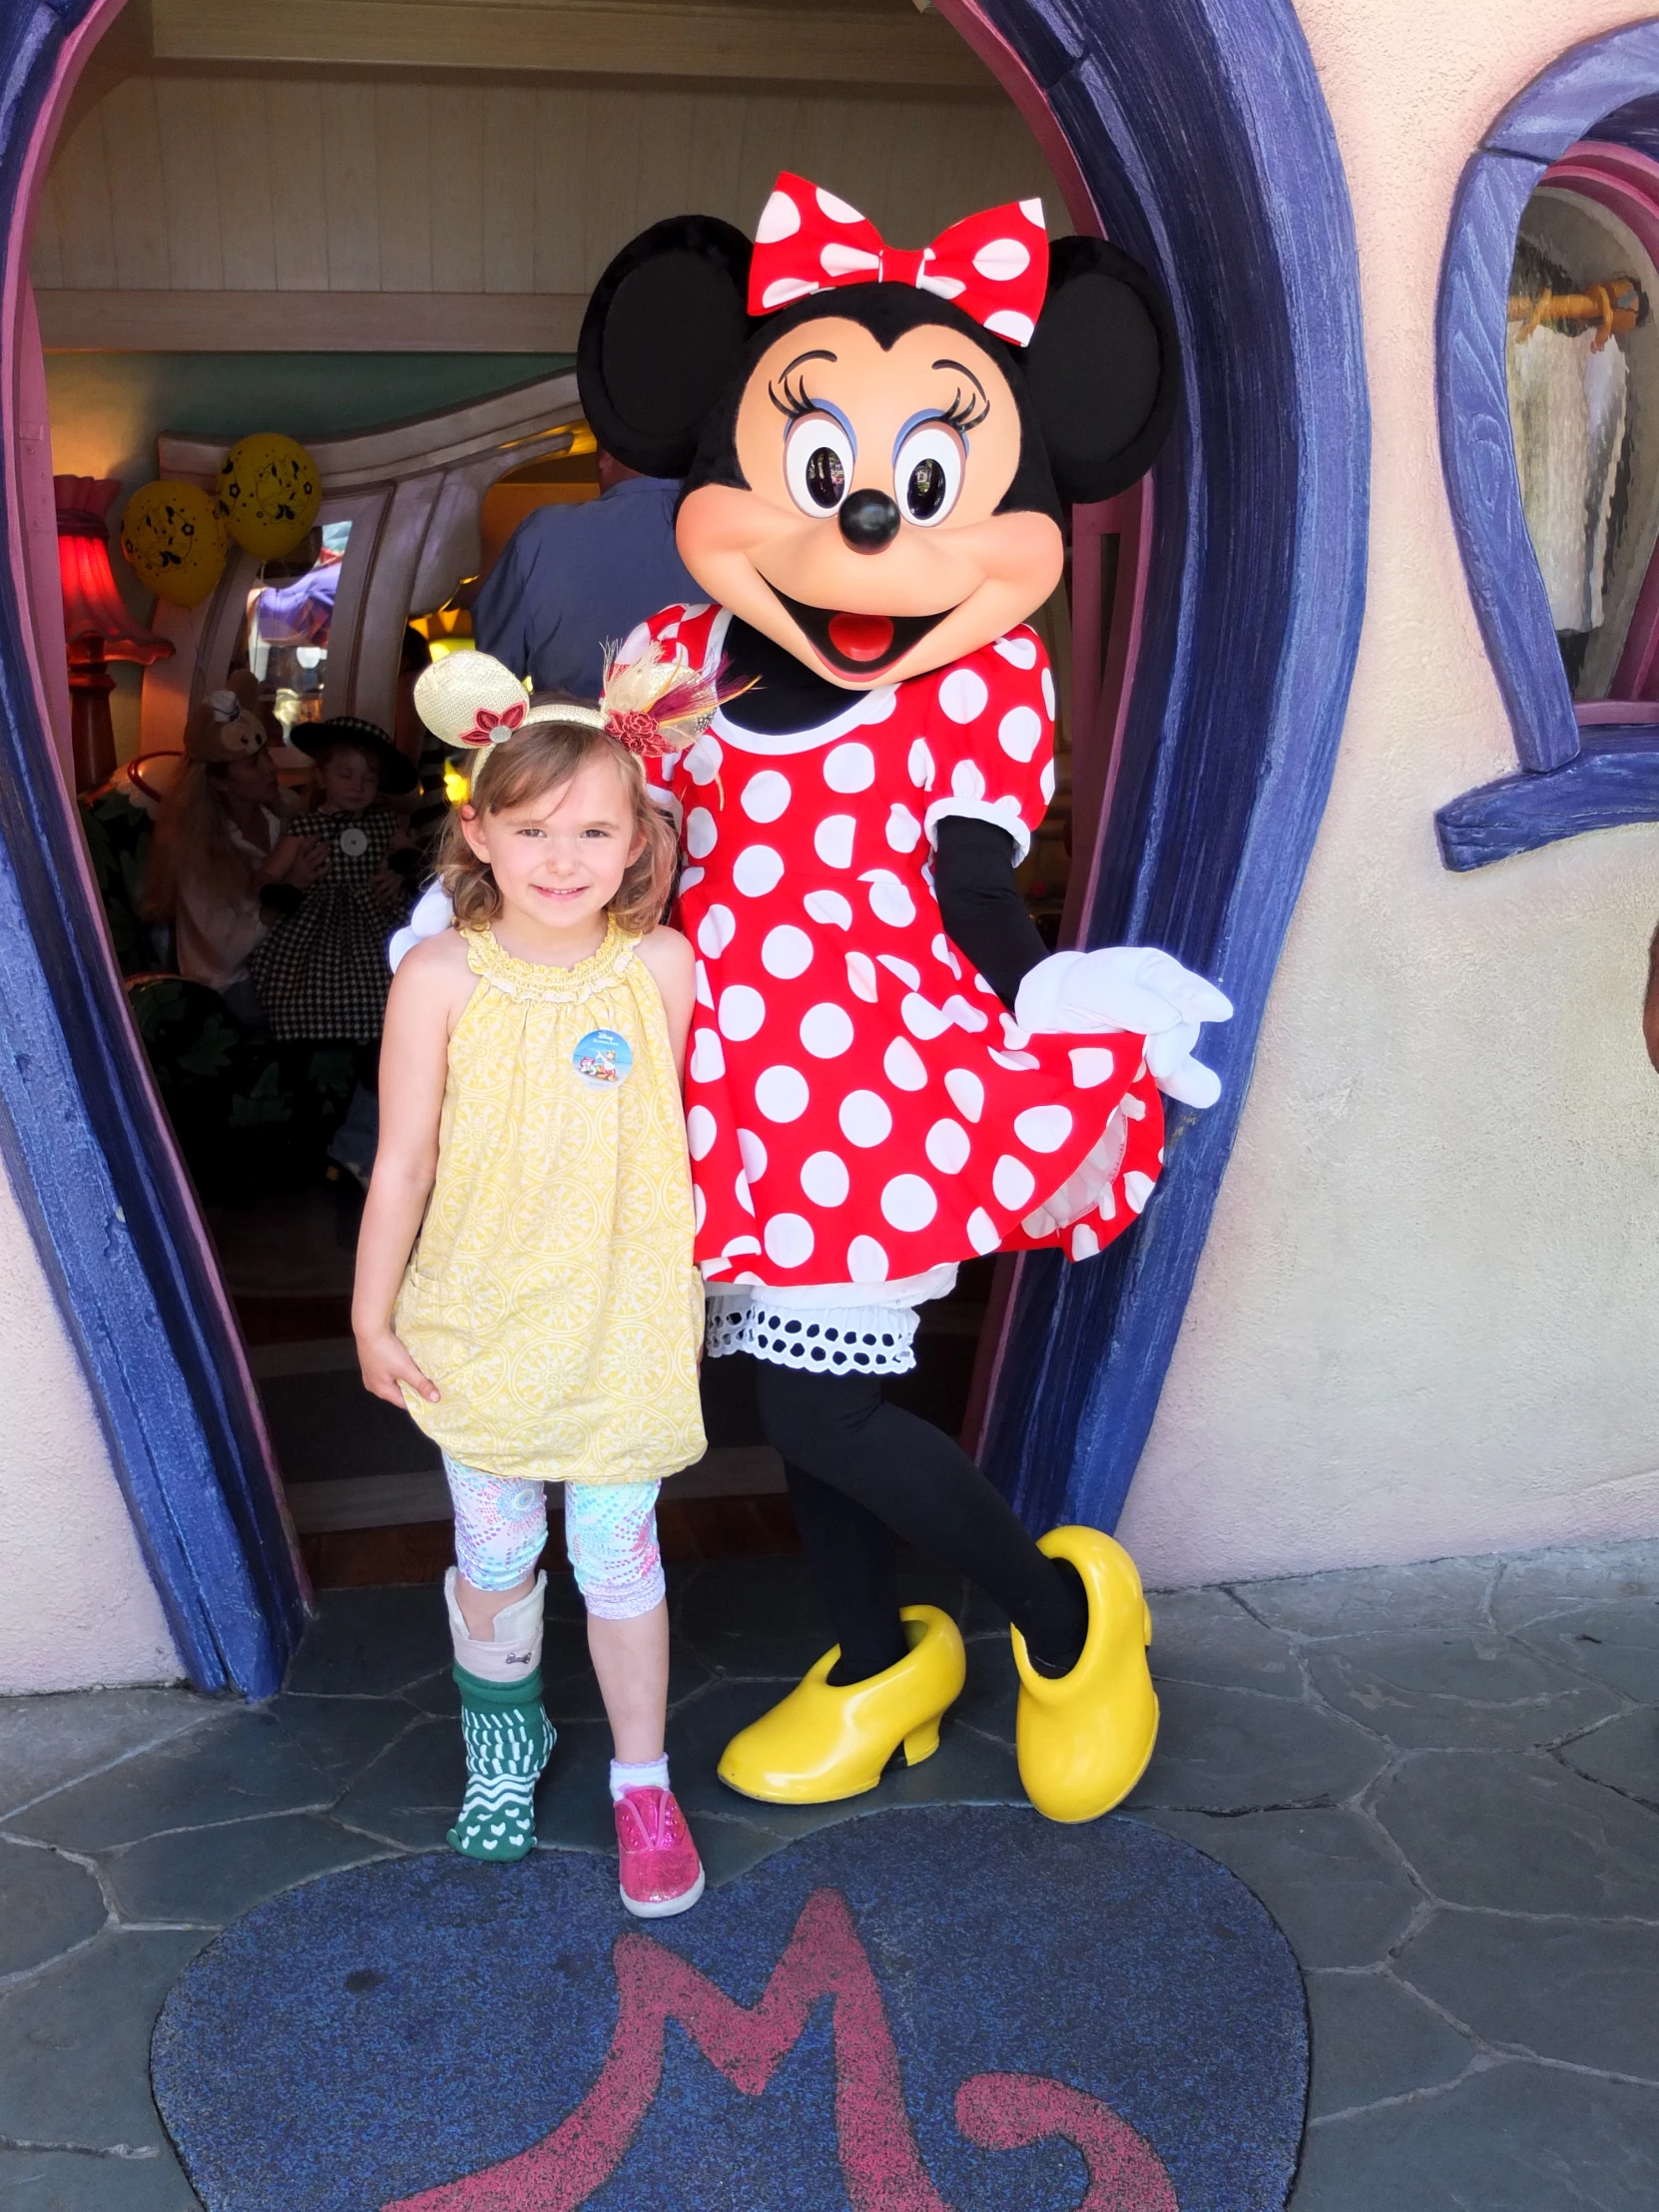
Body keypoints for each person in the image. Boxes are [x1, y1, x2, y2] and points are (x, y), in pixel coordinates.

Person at [351, 656, 707, 1916]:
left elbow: (691, 1142)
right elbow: (402, 1159)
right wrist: (369, 1312)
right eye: (535, 827)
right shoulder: (438, 976)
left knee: (619, 1554)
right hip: (480, 1323)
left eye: (596, 829)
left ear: (639, 838)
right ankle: (504, 1752)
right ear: (480, 830)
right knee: (495, 1554)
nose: (564, 856)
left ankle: (644, 1781)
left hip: (621, 1326)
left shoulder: (658, 967)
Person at [142, 675, 326, 1026]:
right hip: (230, 985)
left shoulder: (282, 811)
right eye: (252, 764)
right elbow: (226, 953)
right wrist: (290, 889)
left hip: (288, 962)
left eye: (265, 756)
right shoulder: (195, 851)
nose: (270, 769)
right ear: (219, 781)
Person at [472, 446, 700, 699]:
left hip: (572, 735)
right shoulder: (737, 536)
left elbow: (492, 677)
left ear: (606, 457)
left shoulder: (545, 534)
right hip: (716, 735)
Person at [247, 717, 417, 1045]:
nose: (358, 786)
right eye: (346, 774)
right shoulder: (307, 826)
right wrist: (279, 889)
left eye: (369, 779)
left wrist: (400, 872)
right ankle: (312, 1043)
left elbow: (416, 859)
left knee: (392, 980)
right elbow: (269, 875)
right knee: (298, 986)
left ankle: (379, 1045)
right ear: (321, 777)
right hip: (316, 923)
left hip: (376, 918)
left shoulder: (383, 822)